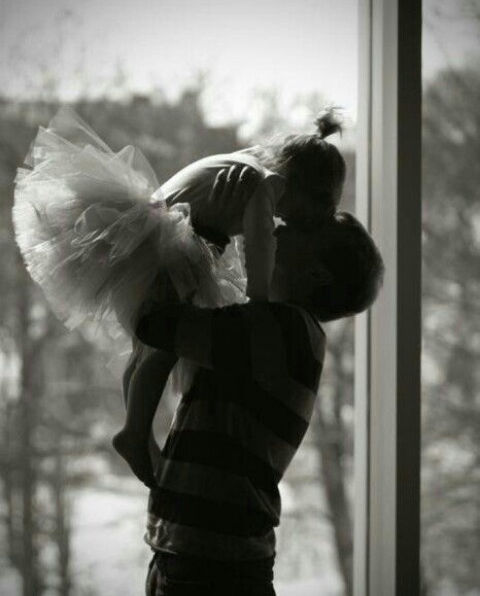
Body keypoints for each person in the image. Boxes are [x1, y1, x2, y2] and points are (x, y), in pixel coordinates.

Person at [13, 105, 347, 487]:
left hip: (156, 238)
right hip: (166, 245)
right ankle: (135, 431)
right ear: (302, 186)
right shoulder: (264, 183)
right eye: (306, 215)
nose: (291, 222)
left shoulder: (246, 165)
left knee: (148, 349)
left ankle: (135, 429)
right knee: (162, 349)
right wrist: (259, 301)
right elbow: (259, 244)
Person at [136, 179, 385, 596]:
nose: (275, 228)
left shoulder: (283, 331)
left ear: (314, 273)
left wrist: (208, 232)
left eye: (294, 229)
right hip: (206, 562)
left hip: (209, 571)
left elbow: (157, 323)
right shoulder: (279, 329)